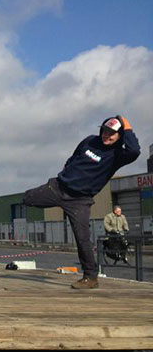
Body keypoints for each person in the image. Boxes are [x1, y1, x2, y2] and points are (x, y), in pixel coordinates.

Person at [23, 115, 140, 289]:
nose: (107, 136)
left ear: (120, 136)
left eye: (112, 134)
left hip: (80, 201)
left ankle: (90, 278)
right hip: (58, 187)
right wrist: (67, 168)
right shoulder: (90, 141)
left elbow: (135, 151)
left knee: (82, 238)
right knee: (27, 198)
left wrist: (127, 127)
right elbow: (74, 156)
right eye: (105, 131)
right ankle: (38, 196)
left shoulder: (118, 155)